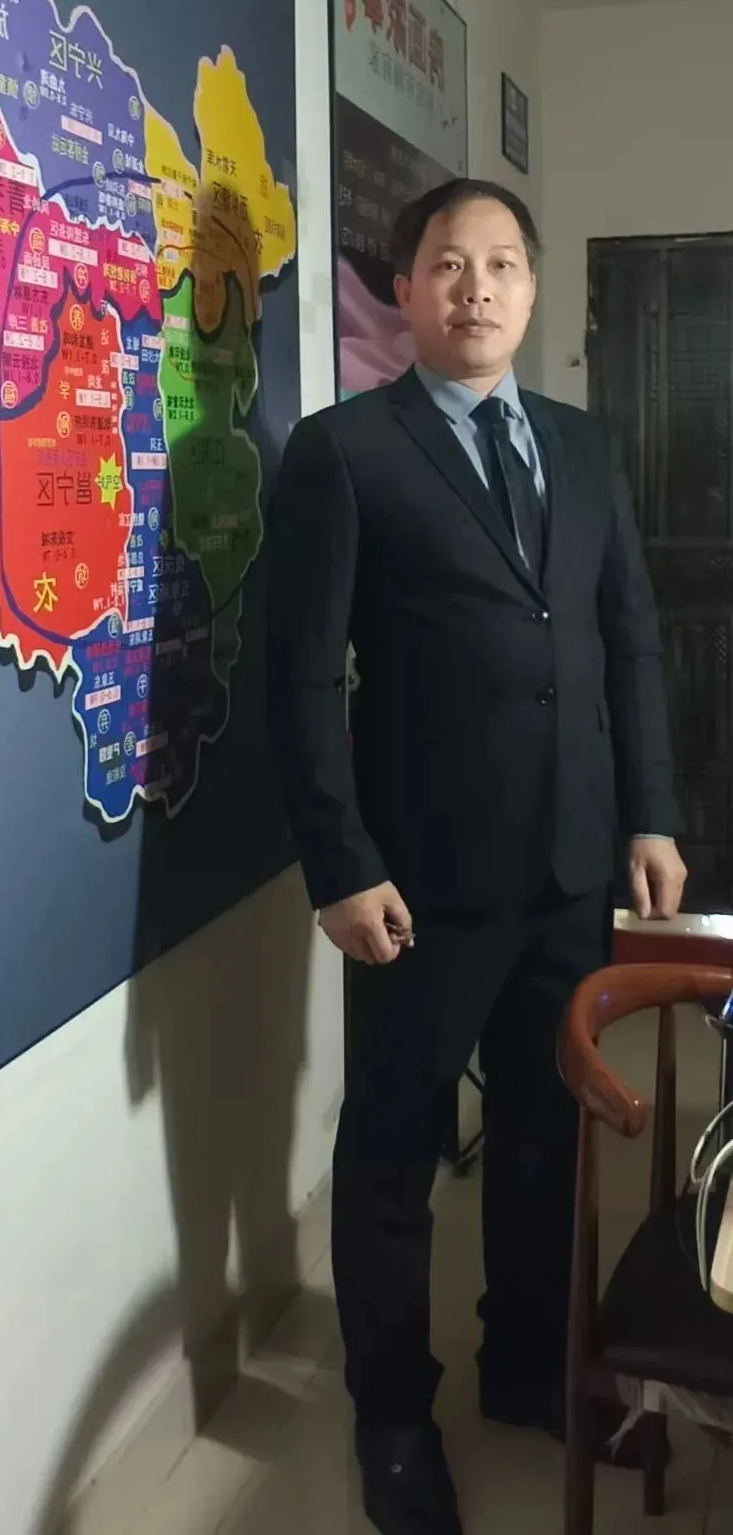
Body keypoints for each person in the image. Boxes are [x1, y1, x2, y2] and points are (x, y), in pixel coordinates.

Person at [265, 178, 686, 1535]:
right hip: (416, 885)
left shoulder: (585, 444)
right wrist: (340, 864)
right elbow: (300, 680)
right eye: (450, 264)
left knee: (546, 1141)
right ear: (404, 290)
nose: (479, 288)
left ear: (535, 287)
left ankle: (529, 1373)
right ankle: (392, 1419)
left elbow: (628, 641)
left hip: (569, 868)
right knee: (395, 1157)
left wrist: (651, 813)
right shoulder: (345, 452)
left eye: (503, 264)